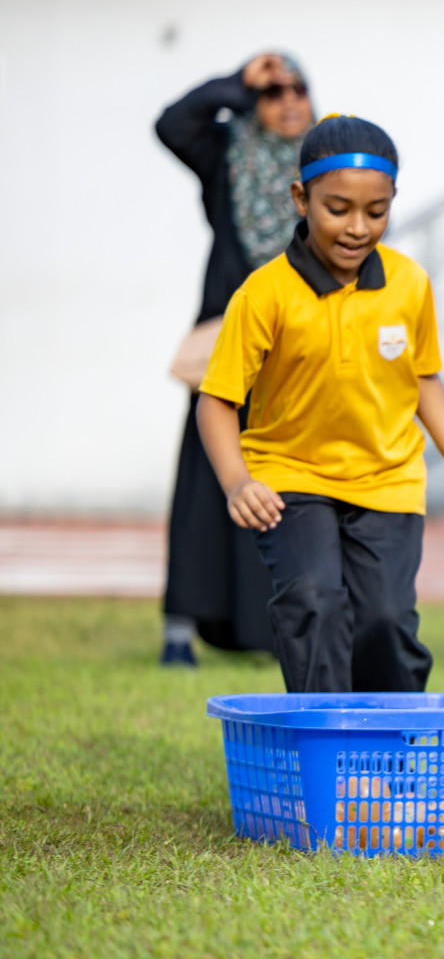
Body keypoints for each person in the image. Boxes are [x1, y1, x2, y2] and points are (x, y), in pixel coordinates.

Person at [196, 115, 444, 693]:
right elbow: (216, 399)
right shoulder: (264, 292)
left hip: (387, 480)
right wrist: (238, 481)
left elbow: (420, 379)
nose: (357, 228)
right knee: (313, 600)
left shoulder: (409, 283)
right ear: (301, 198)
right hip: (290, 477)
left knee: (386, 619)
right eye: (337, 209)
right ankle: (327, 746)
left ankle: (393, 756)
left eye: (377, 211)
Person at [154, 53, 314, 666]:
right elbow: (173, 125)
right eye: (272, 92)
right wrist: (238, 82)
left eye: (297, 89)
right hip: (227, 334)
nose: (287, 101)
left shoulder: (323, 164)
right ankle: (181, 625)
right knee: (206, 475)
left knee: (282, 477)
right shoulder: (229, 154)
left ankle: (265, 625)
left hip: (295, 343)